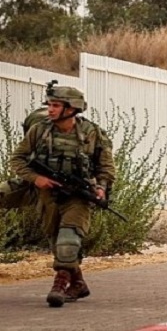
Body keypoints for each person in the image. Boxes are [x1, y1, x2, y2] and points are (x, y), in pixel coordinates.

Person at [9, 84, 115, 307]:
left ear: (72, 108)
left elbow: (105, 167)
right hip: (47, 193)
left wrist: (101, 188)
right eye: (49, 105)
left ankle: (59, 285)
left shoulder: (92, 133)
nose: (50, 109)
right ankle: (78, 284)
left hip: (78, 196)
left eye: (56, 105)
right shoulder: (39, 130)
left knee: (68, 241)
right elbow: (18, 159)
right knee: (56, 241)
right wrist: (36, 178)